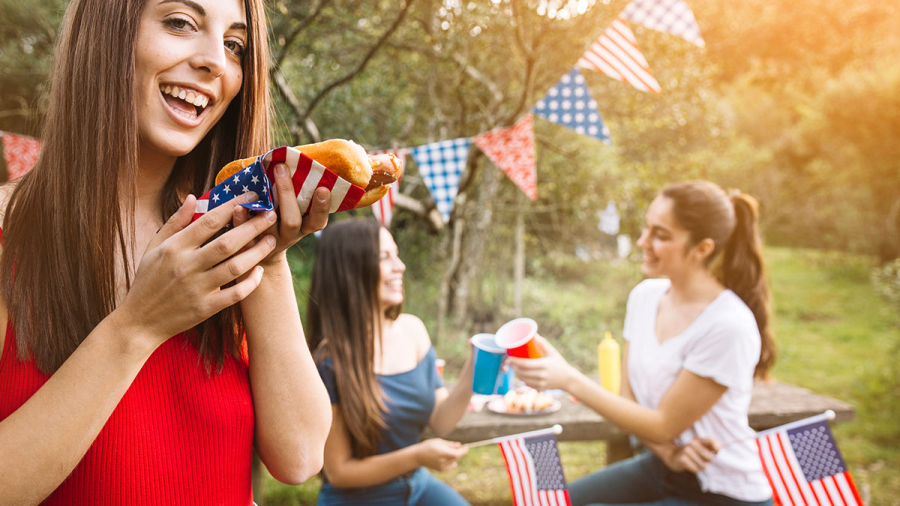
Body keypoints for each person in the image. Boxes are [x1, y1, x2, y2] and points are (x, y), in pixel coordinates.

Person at [0, 0, 333, 504]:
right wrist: (137, 327)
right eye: (181, 23)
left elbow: (301, 455)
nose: (216, 62)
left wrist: (268, 255)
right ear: (104, 32)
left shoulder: (225, 237)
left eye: (234, 45)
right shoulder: (10, 236)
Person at [510, 181, 776, 506]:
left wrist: (568, 378)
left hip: (722, 491)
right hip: (663, 465)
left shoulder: (728, 325)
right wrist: (668, 453)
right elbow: (629, 399)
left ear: (703, 248)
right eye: (646, 228)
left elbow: (662, 423)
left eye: (660, 235)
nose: (642, 241)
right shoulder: (646, 297)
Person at [307, 218, 474, 506]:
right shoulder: (329, 362)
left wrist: (475, 367)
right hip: (359, 498)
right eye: (385, 257)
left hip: (419, 487)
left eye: (396, 255)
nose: (401, 266)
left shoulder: (413, 330)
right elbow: (339, 472)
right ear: (352, 270)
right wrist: (417, 456)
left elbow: (442, 421)